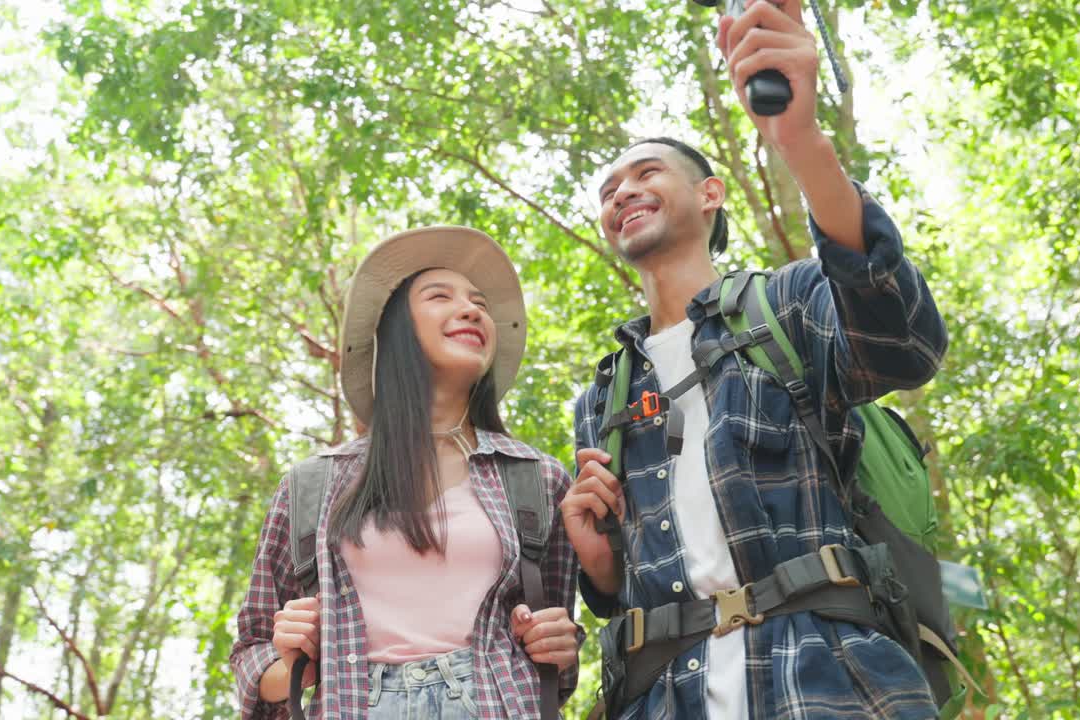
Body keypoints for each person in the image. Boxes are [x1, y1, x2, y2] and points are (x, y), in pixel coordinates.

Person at [558, 0, 949, 717]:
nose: (623, 195)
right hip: (666, 696)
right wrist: (599, 565)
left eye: (646, 174)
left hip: (835, 680)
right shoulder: (603, 398)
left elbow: (906, 343)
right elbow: (621, 594)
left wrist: (797, 139)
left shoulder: (789, 304)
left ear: (710, 196)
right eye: (609, 192)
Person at [231, 226, 581, 719]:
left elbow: (556, 671)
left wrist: (558, 643)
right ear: (395, 333)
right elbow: (250, 652)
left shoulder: (537, 480)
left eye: (479, 303)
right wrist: (292, 661)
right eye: (441, 297)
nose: (471, 310)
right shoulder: (312, 485)